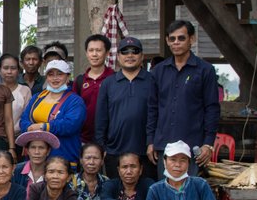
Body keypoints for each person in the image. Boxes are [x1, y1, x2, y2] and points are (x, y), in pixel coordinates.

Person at [147, 19, 220, 174]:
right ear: (167, 41)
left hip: (192, 146)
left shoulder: (205, 70)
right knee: (166, 193)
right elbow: (152, 108)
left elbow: (212, 108)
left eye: (181, 38)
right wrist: (150, 141)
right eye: (172, 39)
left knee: (189, 194)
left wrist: (208, 143)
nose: (176, 42)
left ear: (191, 39)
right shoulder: (158, 71)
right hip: (164, 145)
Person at [95, 36, 154, 179]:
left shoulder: (152, 81)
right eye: (125, 52)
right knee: (117, 195)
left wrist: (152, 143)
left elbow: (157, 113)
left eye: (135, 51)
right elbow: (101, 118)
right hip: (115, 151)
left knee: (145, 196)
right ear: (118, 57)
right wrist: (101, 147)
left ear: (142, 56)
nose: (130, 55)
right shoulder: (108, 83)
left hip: (146, 152)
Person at [18, 59, 86, 166]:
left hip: (63, 156)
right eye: (51, 74)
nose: (55, 78)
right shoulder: (38, 97)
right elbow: (24, 119)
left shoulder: (75, 101)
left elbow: (70, 125)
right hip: (36, 157)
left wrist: (44, 127)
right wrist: (29, 128)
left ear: (68, 77)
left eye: (59, 74)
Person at [72, 35, 115, 146]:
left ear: (106, 53)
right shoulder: (80, 80)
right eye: (91, 50)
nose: (94, 54)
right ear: (86, 53)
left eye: (98, 50)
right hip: (83, 139)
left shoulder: (115, 79)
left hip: (110, 140)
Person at [0, 53, 32, 129]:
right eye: (6, 68)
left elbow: (27, 117)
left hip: (19, 135)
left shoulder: (25, 90)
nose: (9, 72)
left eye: (13, 68)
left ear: (18, 70)